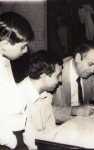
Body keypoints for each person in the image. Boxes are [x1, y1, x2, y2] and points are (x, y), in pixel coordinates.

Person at [53, 41, 94, 123]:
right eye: (90, 64)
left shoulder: (87, 74)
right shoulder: (55, 73)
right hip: (59, 127)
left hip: (82, 125)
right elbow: (44, 112)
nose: (93, 70)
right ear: (77, 58)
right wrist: (74, 111)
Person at [0, 12, 34, 149]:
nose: (26, 51)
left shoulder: (6, 60)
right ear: (4, 43)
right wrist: (11, 141)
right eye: (22, 46)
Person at [17, 51, 62, 150]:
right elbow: (28, 144)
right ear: (43, 75)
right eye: (58, 75)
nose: (60, 80)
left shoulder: (46, 94)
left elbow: (51, 131)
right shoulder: (19, 98)